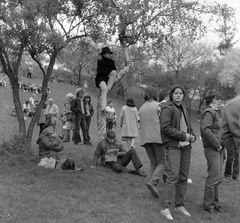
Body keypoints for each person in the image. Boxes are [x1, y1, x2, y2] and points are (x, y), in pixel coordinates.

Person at [160, 85, 196, 221]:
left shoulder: (184, 109)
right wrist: (183, 136)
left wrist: (192, 136)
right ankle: (165, 208)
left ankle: (179, 205)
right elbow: (165, 128)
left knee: (183, 176)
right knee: (172, 176)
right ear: (172, 95)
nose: (179, 95)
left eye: (181, 93)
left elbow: (189, 127)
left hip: (186, 147)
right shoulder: (167, 108)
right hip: (174, 145)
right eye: (176, 93)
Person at [200, 90, 226, 214]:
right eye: (217, 98)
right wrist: (217, 145)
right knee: (213, 177)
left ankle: (215, 203)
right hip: (212, 148)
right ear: (211, 99)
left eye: (220, 98)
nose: (220, 101)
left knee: (218, 177)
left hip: (219, 148)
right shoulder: (209, 112)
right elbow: (205, 129)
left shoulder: (216, 112)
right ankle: (208, 205)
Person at [139, 87, 166, 198]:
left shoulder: (141, 107)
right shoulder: (159, 105)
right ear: (155, 94)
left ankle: (150, 189)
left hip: (145, 138)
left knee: (153, 163)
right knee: (162, 162)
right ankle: (153, 182)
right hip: (157, 137)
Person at [221, 95, 240, 181]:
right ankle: (227, 175)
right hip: (228, 138)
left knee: (235, 157)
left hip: (233, 138)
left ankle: (235, 175)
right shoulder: (231, 106)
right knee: (229, 157)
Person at [95, 47, 118, 115]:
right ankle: (103, 109)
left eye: (109, 53)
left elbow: (114, 71)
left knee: (114, 72)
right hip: (101, 79)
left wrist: (107, 70)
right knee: (104, 89)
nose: (108, 54)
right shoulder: (100, 61)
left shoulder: (111, 61)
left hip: (108, 79)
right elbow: (100, 72)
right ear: (104, 54)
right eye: (107, 53)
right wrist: (108, 71)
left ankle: (109, 88)